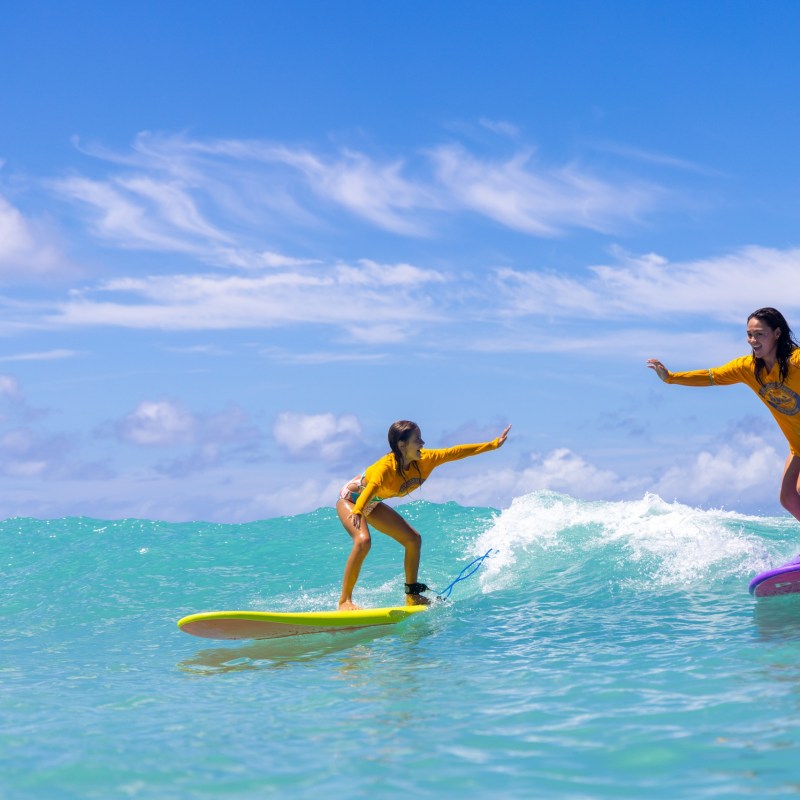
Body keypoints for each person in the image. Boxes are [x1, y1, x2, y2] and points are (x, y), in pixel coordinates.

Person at [336, 420, 512, 610]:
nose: (423, 443)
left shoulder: (426, 459)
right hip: (353, 499)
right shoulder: (385, 468)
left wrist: (493, 444)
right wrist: (358, 509)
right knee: (363, 541)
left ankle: (412, 595)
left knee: (413, 539)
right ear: (402, 445)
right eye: (417, 439)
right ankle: (345, 601)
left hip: (373, 503)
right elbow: (370, 489)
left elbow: (456, 451)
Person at [647, 307, 800, 522]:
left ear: (777, 333)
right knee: (788, 498)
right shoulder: (747, 368)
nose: (752, 340)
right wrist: (671, 377)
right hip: (797, 445)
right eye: (749, 334)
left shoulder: (796, 361)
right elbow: (712, 376)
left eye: (759, 334)